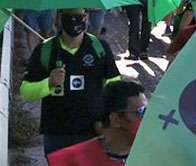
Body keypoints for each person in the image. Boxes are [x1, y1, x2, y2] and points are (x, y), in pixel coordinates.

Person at [20, 8, 121, 156]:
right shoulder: (45, 50)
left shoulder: (99, 48)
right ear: (59, 17)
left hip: (92, 132)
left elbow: (115, 86)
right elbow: (25, 92)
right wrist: (48, 84)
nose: (73, 20)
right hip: (57, 133)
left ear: (86, 18)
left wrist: (108, 122)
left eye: (78, 16)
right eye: (68, 16)